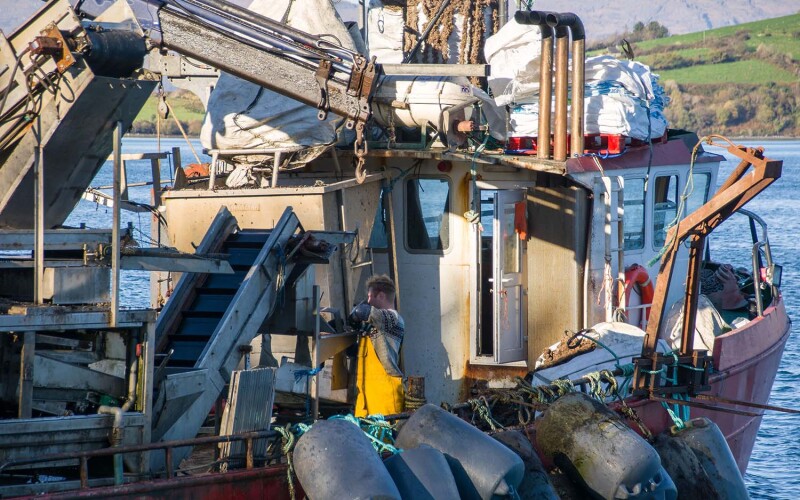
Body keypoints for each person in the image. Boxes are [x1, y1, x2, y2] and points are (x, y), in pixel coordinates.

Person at [348, 274, 405, 417]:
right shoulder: (375, 325)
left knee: (385, 435)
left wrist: (356, 313)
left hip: (385, 389)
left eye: (369, 297)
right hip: (366, 391)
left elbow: (363, 312)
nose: (368, 301)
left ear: (380, 296)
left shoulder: (393, 318)